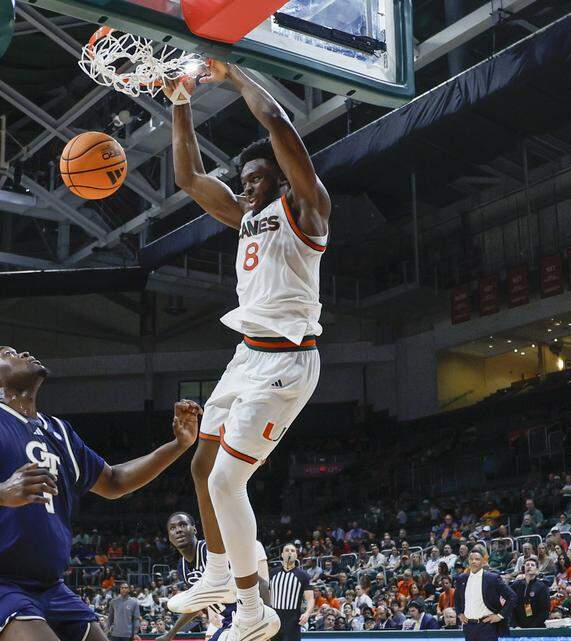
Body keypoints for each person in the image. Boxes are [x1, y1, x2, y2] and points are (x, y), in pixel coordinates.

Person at [162, 57, 330, 641]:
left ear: (282, 180)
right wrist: (180, 102)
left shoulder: (305, 214)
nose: (247, 186)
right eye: (244, 180)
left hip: (286, 362)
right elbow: (188, 179)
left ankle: (254, 611)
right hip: (246, 355)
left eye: (257, 178)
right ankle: (215, 572)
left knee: (226, 484)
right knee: (202, 465)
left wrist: (232, 77)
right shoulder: (244, 219)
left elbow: (280, 124)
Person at [0, 345, 202, 641]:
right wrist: (0, 492)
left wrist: (179, 445)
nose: (24, 353)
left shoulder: (60, 432)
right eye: (9, 354)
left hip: (50, 588)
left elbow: (115, 482)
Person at [160, 512, 269, 641]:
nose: (178, 530)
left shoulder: (212, 551)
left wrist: (265, 618)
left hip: (248, 616)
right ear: (169, 537)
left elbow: (261, 583)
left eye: (182, 525)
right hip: (230, 621)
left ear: (194, 529)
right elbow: (197, 603)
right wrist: (170, 634)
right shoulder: (182, 567)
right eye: (172, 528)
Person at [454, 548, 516, 641]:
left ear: (483, 562)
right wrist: (459, 613)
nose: (474, 561)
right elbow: (457, 599)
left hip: (487, 626)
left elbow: (512, 597)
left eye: (477, 559)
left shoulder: (492, 578)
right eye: (471, 559)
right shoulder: (461, 579)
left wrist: (499, 616)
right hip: (468, 627)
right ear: (468, 562)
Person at [268, 543, 313, 641]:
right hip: (274, 618)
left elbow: (310, 598)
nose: (290, 553)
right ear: (282, 554)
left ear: (296, 555)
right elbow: (268, 595)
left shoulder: (303, 576)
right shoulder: (272, 573)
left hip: (293, 620)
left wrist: (307, 613)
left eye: (293, 551)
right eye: (287, 550)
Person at [511, 559, 550, 628]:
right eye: (527, 565)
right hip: (518, 625)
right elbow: (510, 606)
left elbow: (545, 610)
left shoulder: (541, 587)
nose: (529, 567)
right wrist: (515, 625)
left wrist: (532, 627)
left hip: (536, 626)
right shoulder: (516, 585)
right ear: (524, 568)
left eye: (532, 565)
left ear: (537, 570)